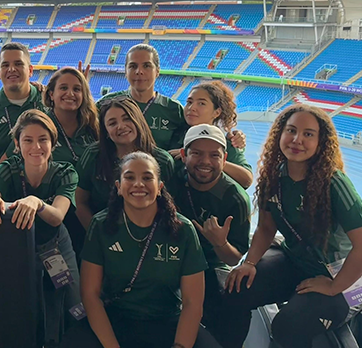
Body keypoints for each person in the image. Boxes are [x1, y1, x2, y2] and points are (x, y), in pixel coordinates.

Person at [219, 105, 362, 348]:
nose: (297, 140)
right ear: (280, 134)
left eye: (308, 134)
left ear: (320, 142)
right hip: (295, 261)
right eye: (291, 130)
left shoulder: (334, 183)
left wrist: (334, 286)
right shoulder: (274, 177)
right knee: (235, 288)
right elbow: (265, 228)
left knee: (287, 327)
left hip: (341, 276)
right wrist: (250, 262)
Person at [61, 151, 218, 348]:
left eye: (147, 177)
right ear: (118, 187)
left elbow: (192, 303)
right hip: (116, 318)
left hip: (168, 320)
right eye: (129, 177)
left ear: (160, 187)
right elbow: (90, 296)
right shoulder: (101, 225)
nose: (138, 184)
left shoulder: (182, 230)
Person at [0, 109, 80, 346]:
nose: (36, 147)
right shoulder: (9, 168)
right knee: (21, 309)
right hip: (15, 249)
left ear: (53, 143)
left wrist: (37, 202)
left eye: (43, 139)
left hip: (55, 247)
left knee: (73, 305)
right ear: (17, 144)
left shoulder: (66, 172)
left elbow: (57, 216)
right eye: (28, 140)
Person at [169, 124, 251, 343]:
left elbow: (233, 258)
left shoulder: (236, 199)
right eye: (196, 153)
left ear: (224, 159)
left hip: (209, 265)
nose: (205, 161)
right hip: (169, 257)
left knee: (232, 310)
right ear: (184, 155)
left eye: (213, 155)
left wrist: (219, 243)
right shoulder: (171, 178)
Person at [76, 97, 174, 230]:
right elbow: (80, 202)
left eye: (127, 118)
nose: (121, 126)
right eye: (112, 123)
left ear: (138, 120)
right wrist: (97, 236)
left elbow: (169, 209)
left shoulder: (163, 161)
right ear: (106, 133)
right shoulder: (93, 155)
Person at [0, 42, 45, 191]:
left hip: (41, 195)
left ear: (30, 70)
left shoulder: (47, 100)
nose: (11, 69)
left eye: (18, 64)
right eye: (5, 65)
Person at [96, 44, 188, 150]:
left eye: (146, 66)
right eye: (133, 66)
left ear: (157, 71)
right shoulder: (106, 104)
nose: (139, 71)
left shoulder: (174, 110)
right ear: (126, 71)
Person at [170, 81, 252, 188]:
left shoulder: (226, 144)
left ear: (217, 112)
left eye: (201, 103)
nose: (192, 108)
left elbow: (246, 180)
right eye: (189, 102)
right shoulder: (174, 133)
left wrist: (215, 161)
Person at [43, 67, 99, 165]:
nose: (70, 94)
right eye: (63, 88)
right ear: (51, 94)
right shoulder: (39, 126)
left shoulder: (93, 125)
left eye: (77, 89)